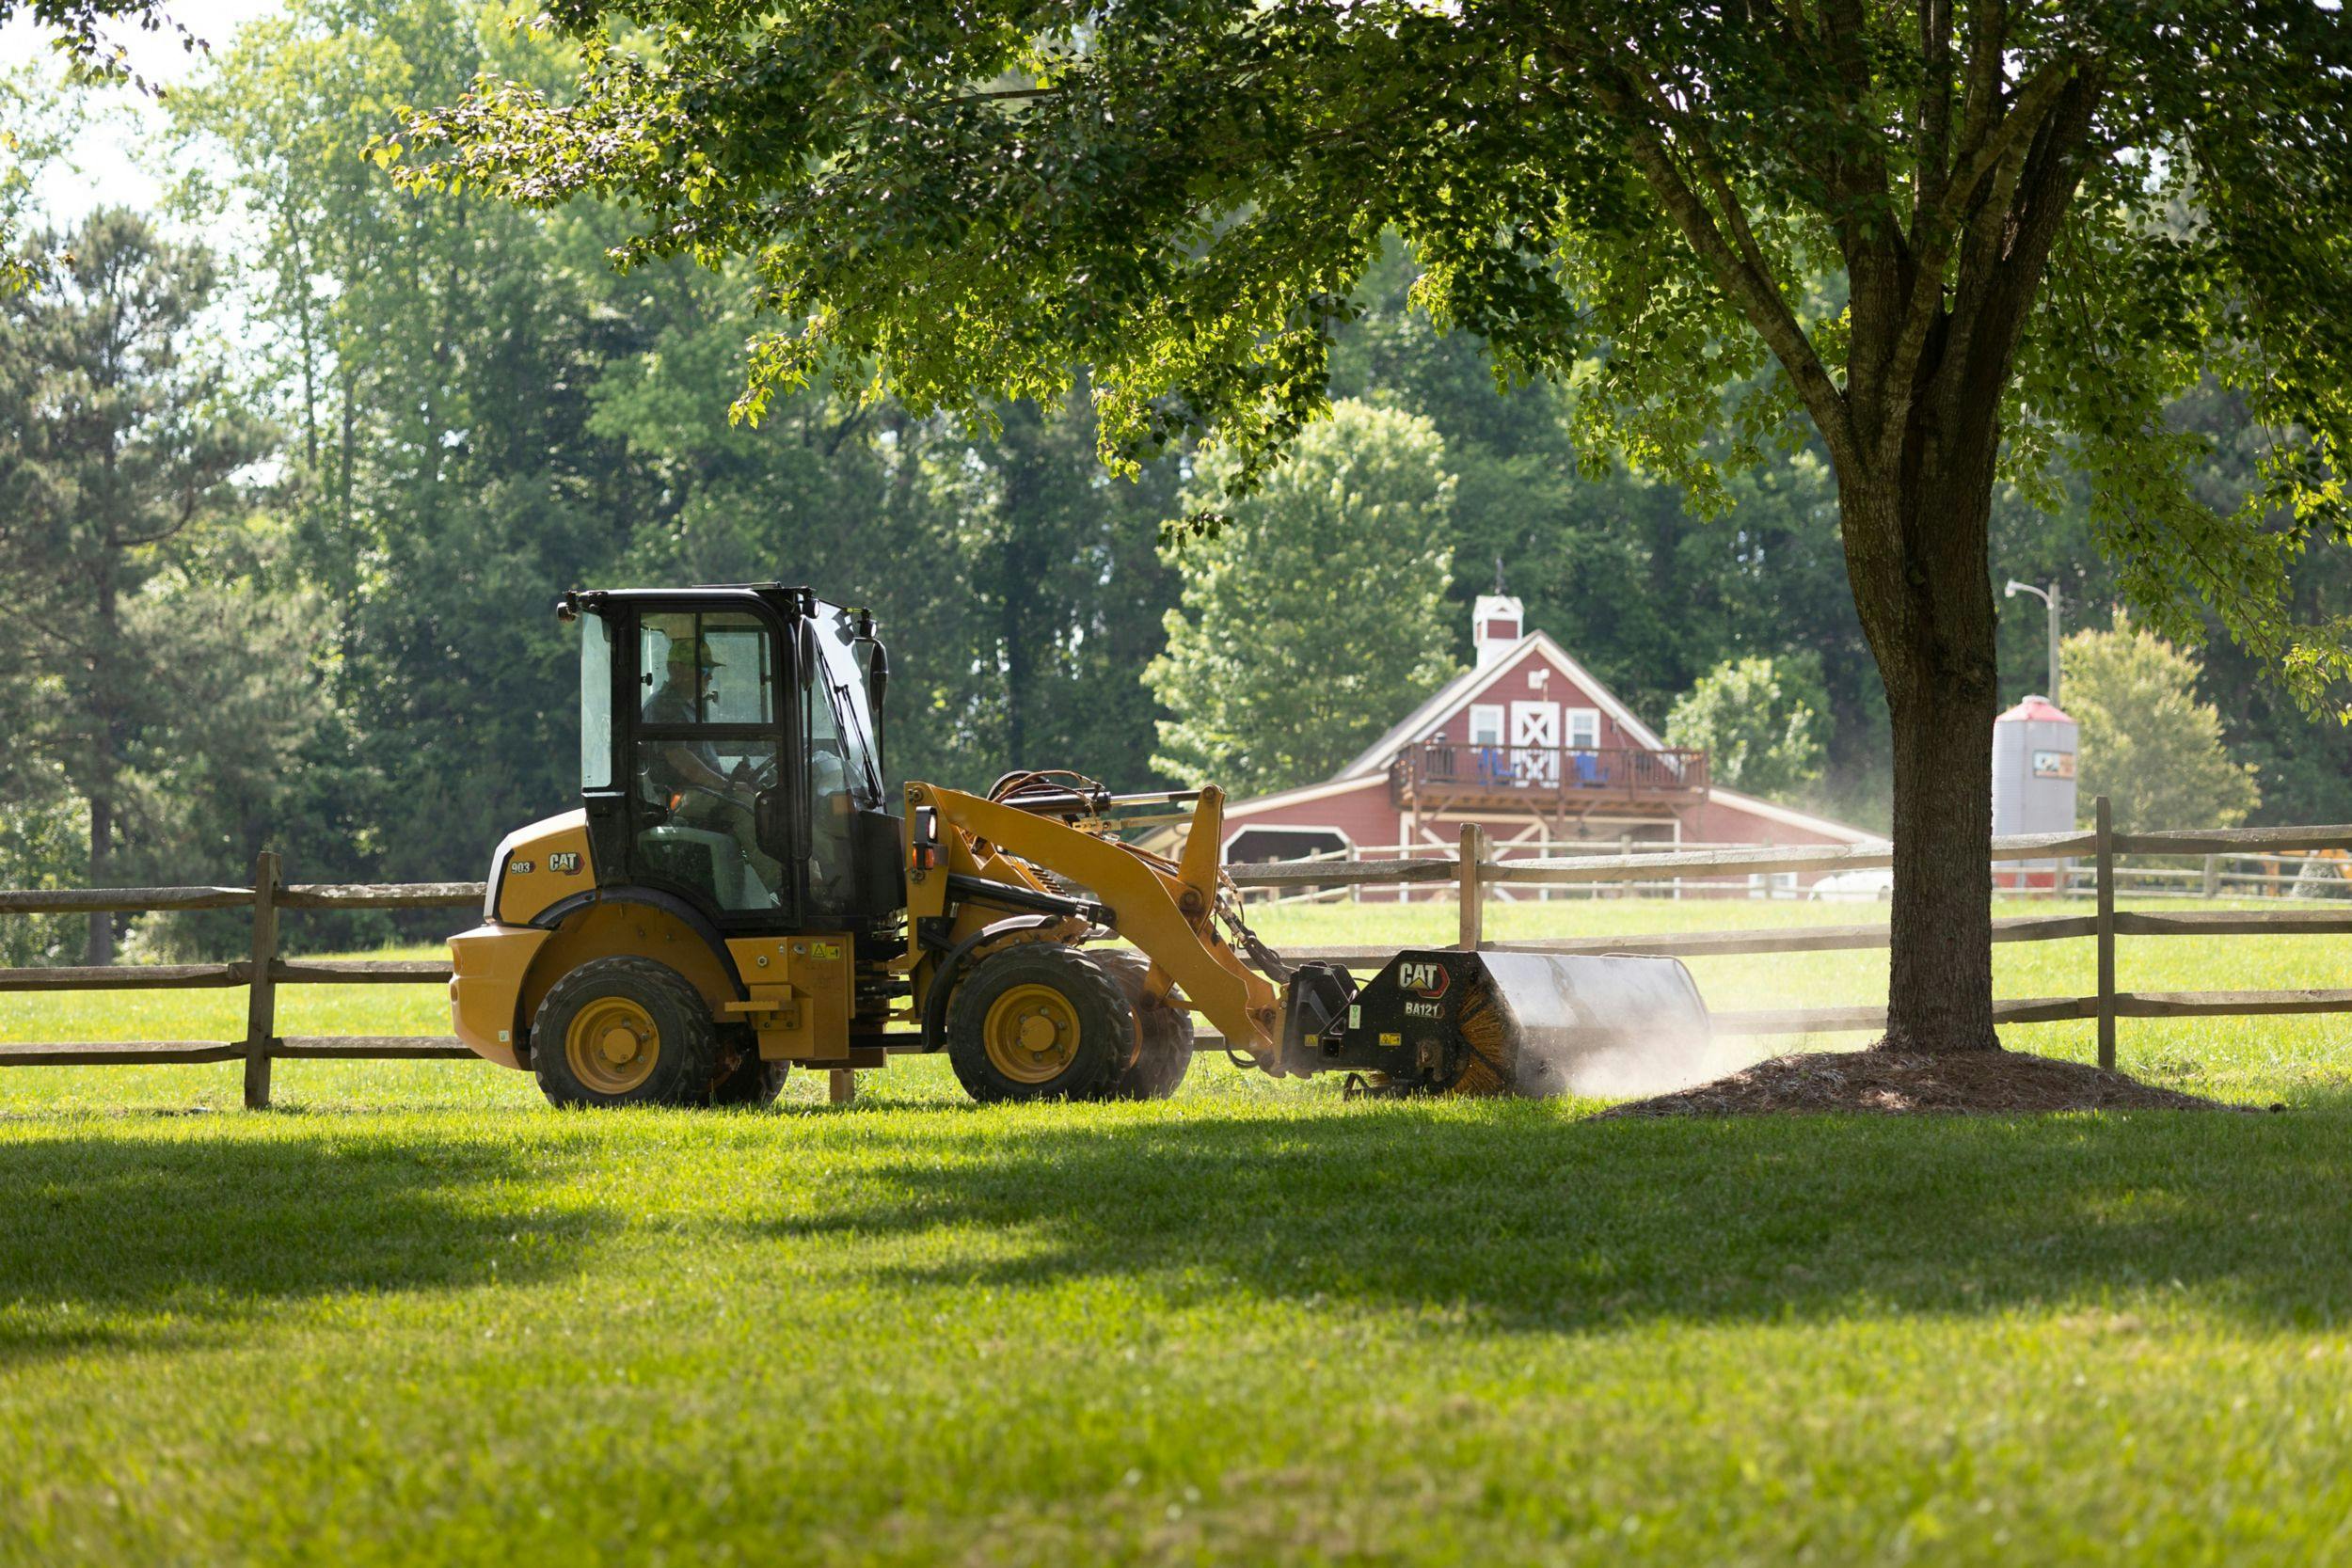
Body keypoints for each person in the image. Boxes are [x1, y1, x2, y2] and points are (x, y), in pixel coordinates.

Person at [641, 632, 784, 903]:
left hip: (697, 790)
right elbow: (681, 761)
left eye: (710, 671)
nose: (709, 678)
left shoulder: (688, 707)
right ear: (676, 669)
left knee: (766, 797)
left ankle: (801, 877)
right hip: (679, 798)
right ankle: (783, 887)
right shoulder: (664, 707)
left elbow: (701, 763)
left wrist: (730, 777)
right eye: (704, 670)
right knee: (745, 806)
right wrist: (725, 785)